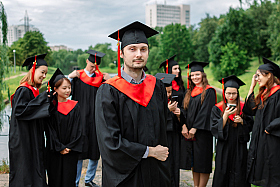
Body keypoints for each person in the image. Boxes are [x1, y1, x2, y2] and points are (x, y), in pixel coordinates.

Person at [95, 21, 171, 187]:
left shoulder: (157, 86)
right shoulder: (109, 91)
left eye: (143, 49)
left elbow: (162, 130)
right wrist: (149, 152)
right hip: (126, 177)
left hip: (155, 173)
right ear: (121, 53)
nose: (138, 54)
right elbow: (110, 142)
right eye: (132, 49)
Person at [68, 50, 109, 187]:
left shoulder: (101, 79)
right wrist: (69, 77)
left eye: (95, 66)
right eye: (92, 65)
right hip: (80, 120)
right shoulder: (77, 77)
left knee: (94, 150)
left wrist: (109, 80)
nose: (93, 68)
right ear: (87, 61)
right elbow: (65, 91)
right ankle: (75, 181)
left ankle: (89, 180)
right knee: (79, 151)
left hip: (96, 119)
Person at [9, 54, 50, 187]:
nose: (44, 76)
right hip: (23, 141)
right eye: (42, 72)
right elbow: (21, 111)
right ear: (33, 70)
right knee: (24, 174)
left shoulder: (33, 91)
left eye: (46, 73)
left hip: (31, 138)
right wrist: (43, 98)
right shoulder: (23, 90)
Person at [243, 57, 280, 186]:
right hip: (261, 140)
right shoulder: (264, 94)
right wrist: (251, 87)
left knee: (273, 172)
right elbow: (249, 109)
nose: (256, 78)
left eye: (258, 76)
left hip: (272, 140)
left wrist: (270, 127)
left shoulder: (278, 93)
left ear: (269, 75)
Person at [210, 75, 253, 187]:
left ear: (238, 93)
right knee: (222, 172)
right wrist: (225, 117)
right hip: (224, 147)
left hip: (239, 147)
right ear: (224, 93)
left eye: (234, 93)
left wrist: (242, 122)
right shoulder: (217, 108)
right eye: (228, 93)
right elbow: (214, 128)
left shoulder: (244, 107)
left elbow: (251, 126)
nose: (231, 96)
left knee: (239, 172)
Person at [45, 68, 83, 187]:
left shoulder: (75, 106)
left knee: (69, 180)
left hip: (71, 152)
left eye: (69, 87)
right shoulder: (50, 108)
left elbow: (79, 129)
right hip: (54, 151)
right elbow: (49, 130)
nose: (68, 90)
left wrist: (70, 147)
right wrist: (59, 147)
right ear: (55, 89)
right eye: (64, 88)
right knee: (54, 179)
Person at [180, 61, 216, 187]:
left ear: (203, 75)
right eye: (193, 75)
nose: (195, 77)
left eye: (197, 74)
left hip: (203, 133)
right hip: (189, 133)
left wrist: (195, 128)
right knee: (194, 162)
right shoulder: (189, 92)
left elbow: (206, 112)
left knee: (203, 162)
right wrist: (184, 126)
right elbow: (183, 111)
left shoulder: (209, 91)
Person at [155, 73, 181, 187]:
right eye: (166, 91)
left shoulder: (173, 101)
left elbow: (179, 122)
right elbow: (153, 120)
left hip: (173, 137)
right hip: (160, 137)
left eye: (170, 91)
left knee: (173, 164)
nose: (168, 94)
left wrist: (179, 115)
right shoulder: (153, 102)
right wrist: (167, 110)